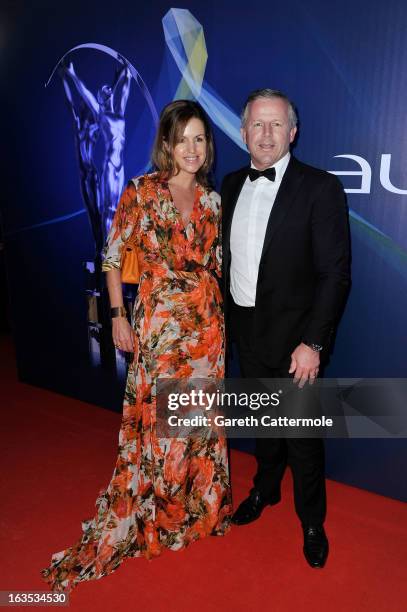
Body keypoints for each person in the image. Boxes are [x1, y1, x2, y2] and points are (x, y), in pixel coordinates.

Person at [41, 100, 232, 593]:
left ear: (207, 147)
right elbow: (111, 259)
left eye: (200, 139)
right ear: (166, 145)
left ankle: (199, 510)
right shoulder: (142, 192)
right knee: (163, 422)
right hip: (160, 326)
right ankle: (163, 515)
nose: (192, 148)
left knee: (199, 423)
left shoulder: (213, 201)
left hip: (207, 328)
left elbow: (214, 265)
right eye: (182, 139)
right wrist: (118, 317)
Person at [221, 89, 350, 568]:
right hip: (246, 329)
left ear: (293, 132)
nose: (267, 134)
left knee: (301, 436)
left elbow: (334, 274)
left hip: (298, 340)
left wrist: (313, 343)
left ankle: (312, 521)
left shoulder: (320, 187)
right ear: (243, 132)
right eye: (258, 124)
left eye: (277, 125)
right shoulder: (231, 184)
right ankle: (264, 490)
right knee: (263, 425)